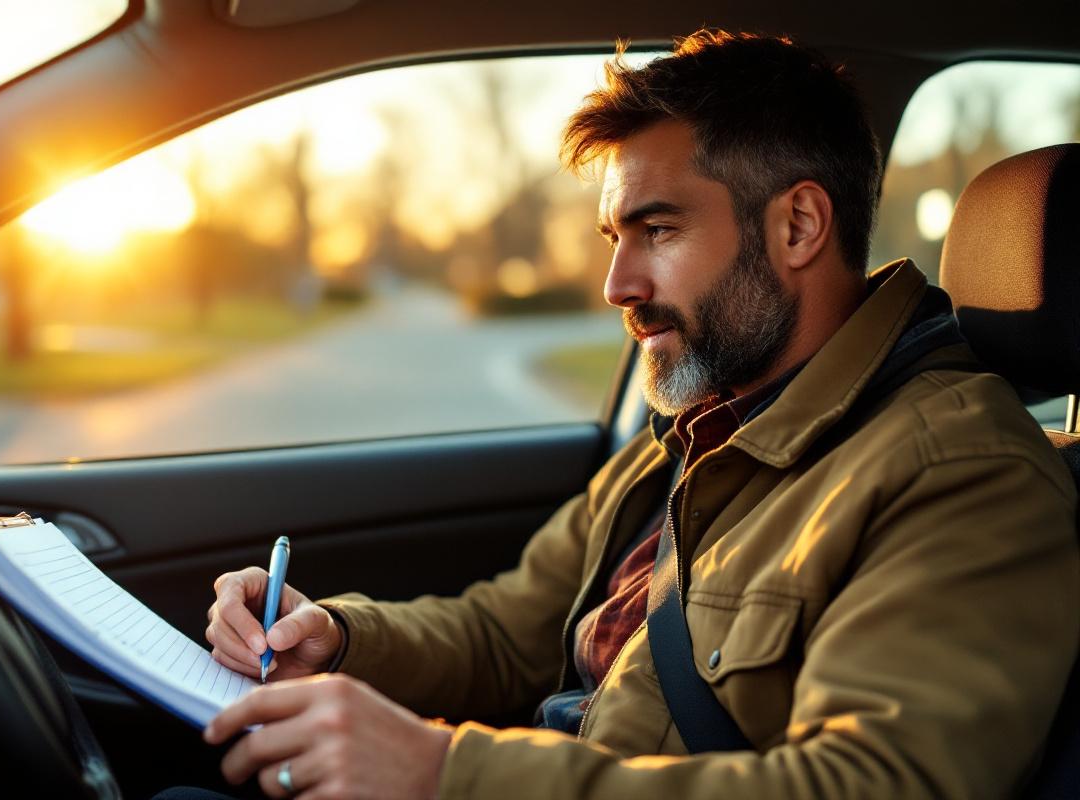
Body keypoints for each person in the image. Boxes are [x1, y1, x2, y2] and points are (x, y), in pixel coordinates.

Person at [194, 30, 1078, 799]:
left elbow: (871, 785)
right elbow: (505, 634)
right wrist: (335, 639)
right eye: (615, 239)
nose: (618, 285)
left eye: (658, 231)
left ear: (799, 227)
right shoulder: (693, 432)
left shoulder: (960, 472)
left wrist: (442, 775)